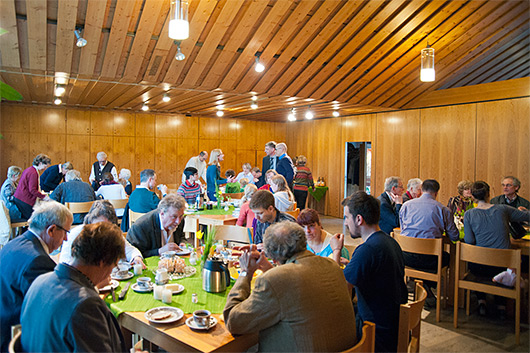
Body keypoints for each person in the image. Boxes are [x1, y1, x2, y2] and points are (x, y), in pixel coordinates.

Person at [223, 221, 357, 352]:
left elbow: (233, 322)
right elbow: (290, 286)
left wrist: (245, 272)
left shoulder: (274, 280)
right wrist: (266, 266)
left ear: (274, 258)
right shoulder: (332, 264)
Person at [20, 222, 126, 352]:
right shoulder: (85, 304)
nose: (110, 273)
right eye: (113, 266)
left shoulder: (40, 282)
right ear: (103, 262)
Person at [330, 191, 408, 353]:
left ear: (359, 219)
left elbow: (340, 290)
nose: (345, 223)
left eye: (347, 217)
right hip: (394, 324)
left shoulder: (367, 250)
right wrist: (353, 264)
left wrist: (337, 251)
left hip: (375, 332)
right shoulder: (390, 242)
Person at [0, 202, 73, 351]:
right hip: (16, 337)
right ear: (51, 230)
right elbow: (50, 311)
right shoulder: (37, 261)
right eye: (65, 232)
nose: (65, 239)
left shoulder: (13, 244)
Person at [464, 181, 530, 317]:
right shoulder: (503, 209)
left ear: (473, 197)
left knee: (475, 263)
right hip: (502, 267)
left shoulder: (469, 214)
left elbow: (469, 241)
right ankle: (501, 306)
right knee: (510, 265)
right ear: (489, 194)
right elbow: (527, 216)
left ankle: (482, 301)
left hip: (479, 266)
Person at [60, 200, 145, 268]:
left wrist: (136, 258)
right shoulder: (75, 235)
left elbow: (130, 250)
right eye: (97, 227)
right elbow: (64, 264)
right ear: (89, 223)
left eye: (106, 227)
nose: (101, 232)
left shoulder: (111, 233)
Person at [399, 179, 459, 271]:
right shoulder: (443, 210)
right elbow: (454, 237)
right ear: (436, 192)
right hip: (430, 259)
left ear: (422, 190)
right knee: (447, 256)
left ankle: (421, 281)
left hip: (406, 256)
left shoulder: (406, 205)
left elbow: (403, 228)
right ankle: (432, 283)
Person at [13, 154, 52, 220]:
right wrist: (44, 197)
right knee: (34, 219)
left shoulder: (30, 169)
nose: (45, 169)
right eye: (45, 166)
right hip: (24, 200)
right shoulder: (33, 173)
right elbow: (32, 190)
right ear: (40, 163)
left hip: (20, 199)